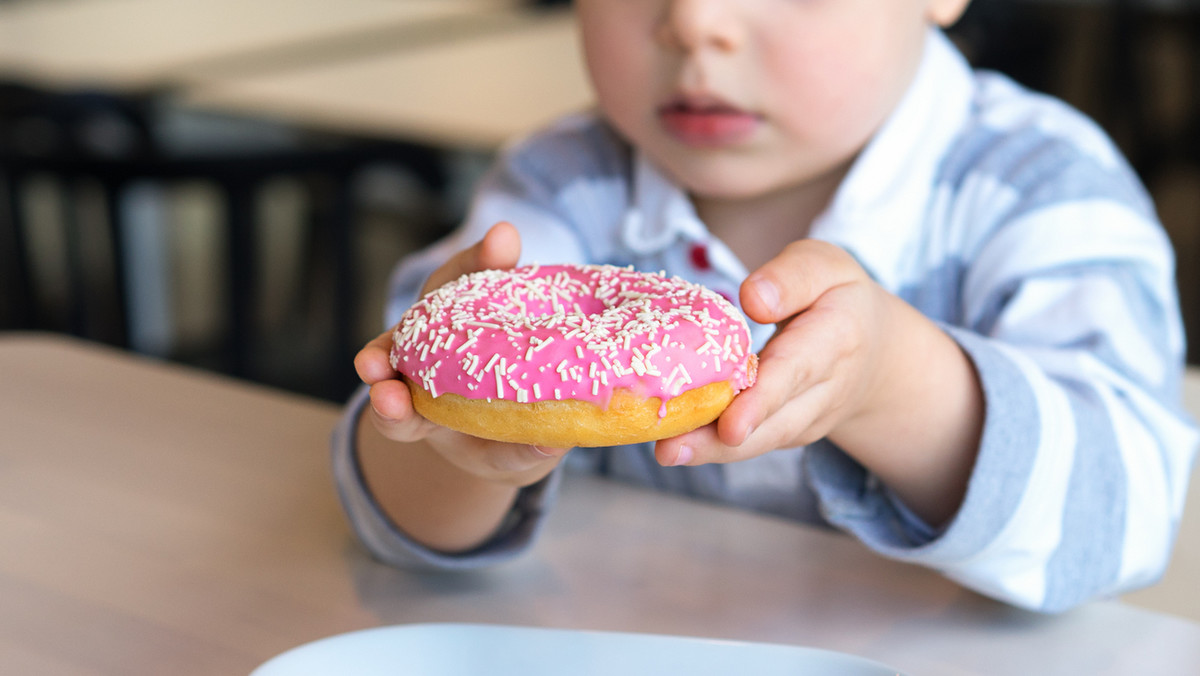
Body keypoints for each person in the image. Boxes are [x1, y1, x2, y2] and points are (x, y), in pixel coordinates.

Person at [333, 0, 1198, 612]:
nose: (696, 19)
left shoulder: (1039, 188)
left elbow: (1119, 521)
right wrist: (465, 454)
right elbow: (392, 517)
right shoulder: (560, 184)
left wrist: (890, 383)